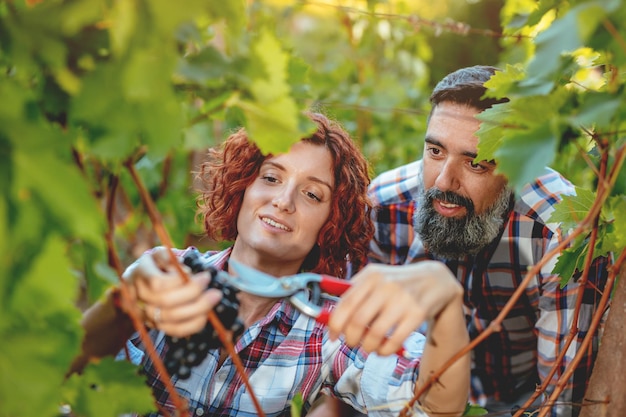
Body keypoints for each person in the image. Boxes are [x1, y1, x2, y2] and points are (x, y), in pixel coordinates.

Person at [69, 112, 471, 417]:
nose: (284, 201)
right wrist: (121, 307)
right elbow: (58, 369)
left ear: (331, 223)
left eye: (313, 195)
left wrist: (445, 304)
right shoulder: (165, 273)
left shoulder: (328, 329)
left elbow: (434, 406)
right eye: (271, 178)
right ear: (243, 185)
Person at [364, 65, 610, 417]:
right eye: (435, 152)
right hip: (408, 396)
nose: (445, 182)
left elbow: (560, 402)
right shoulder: (384, 207)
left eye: (476, 163)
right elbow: (357, 358)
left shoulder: (559, 234)